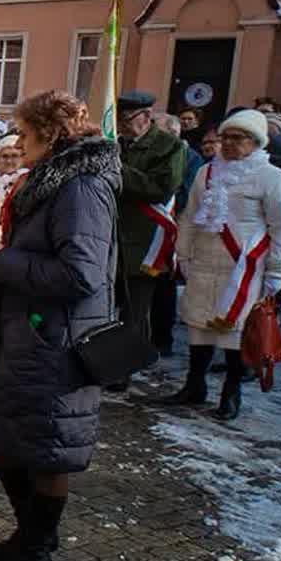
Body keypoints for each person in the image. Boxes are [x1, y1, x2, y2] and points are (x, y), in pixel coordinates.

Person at [0, 90, 120, 561]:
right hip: (32, 334)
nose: (17, 141)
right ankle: (32, 537)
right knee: (13, 438)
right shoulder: (56, 182)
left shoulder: (80, 188)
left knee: (44, 446)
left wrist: (0, 258)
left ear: (50, 136)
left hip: (57, 341)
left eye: (25, 134)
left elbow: (80, 274)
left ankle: (34, 547)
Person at [164, 110, 281, 420]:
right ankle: (194, 386)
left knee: (235, 333)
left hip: (244, 269)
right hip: (204, 263)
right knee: (199, 328)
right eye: (226, 137)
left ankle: (231, 393)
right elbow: (189, 218)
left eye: (237, 139)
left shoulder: (272, 177)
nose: (228, 144)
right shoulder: (206, 173)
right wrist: (182, 254)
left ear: (256, 142)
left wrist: (277, 271)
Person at [112, 90, 186, 389]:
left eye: (128, 119)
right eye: (120, 120)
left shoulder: (169, 147)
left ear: (146, 116)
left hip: (144, 242)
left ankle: (124, 369)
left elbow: (162, 187)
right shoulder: (116, 144)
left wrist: (118, 170)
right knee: (108, 308)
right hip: (112, 236)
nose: (123, 126)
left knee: (134, 311)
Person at [150, 113, 204, 355]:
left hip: (170, 228)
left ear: (172, 134)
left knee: (163, 286)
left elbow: (184, 195)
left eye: (156, 129)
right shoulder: (150, 154)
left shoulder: (191, 159)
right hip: (145, 229)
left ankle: (162, 339)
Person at [0, 133, 28, 203]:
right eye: (5, 156)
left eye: (14, 156)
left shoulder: (28, 182)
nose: (9, 161)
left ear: (23, 158)